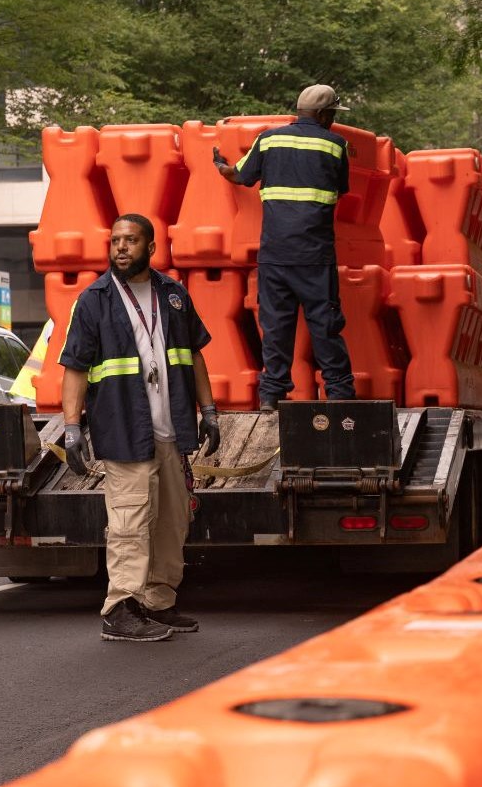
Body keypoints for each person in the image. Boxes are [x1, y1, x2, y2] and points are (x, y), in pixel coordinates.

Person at [58, 215, 221, 642]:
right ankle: (120, 608)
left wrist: (210, 411)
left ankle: (157, 602)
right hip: (125, 430)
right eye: (115, 241)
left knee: (172, 522)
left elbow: (195, 356)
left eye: (131, 241)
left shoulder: (173, 296)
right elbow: (74, 366)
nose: (120, 248)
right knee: (129, 522)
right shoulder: (95, 299)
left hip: (172, 430)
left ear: (151, 246)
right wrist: (72, 428)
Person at [214, 83, 354, 410]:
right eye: (332, 114)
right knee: (325, 326)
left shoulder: (269, 139)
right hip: (315, 257)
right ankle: (340, 395)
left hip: (275, 255)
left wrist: (219, 166)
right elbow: (342, 189)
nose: (332, 119)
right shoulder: (335, 146)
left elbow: (239, 176)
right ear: (322, 114)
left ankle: (271, 397)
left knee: (276, 327)